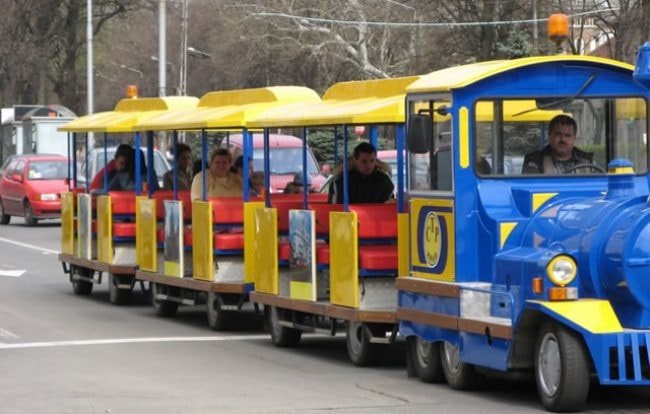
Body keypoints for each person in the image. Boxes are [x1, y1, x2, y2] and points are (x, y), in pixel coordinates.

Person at [522, 114, 593, 174]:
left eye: (567, 135)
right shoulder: (535, 162)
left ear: (574, 138)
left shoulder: (587, 162)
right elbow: (532, 187)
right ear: (549, 135)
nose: (563, 139)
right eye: (558, 134)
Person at [328, 142, 394, 204]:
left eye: (372, 160)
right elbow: (335, 208)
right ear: (355, 160)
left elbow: (388, 206)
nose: (369, 165)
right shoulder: (341, 180)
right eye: (364, 161)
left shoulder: (384, 180)